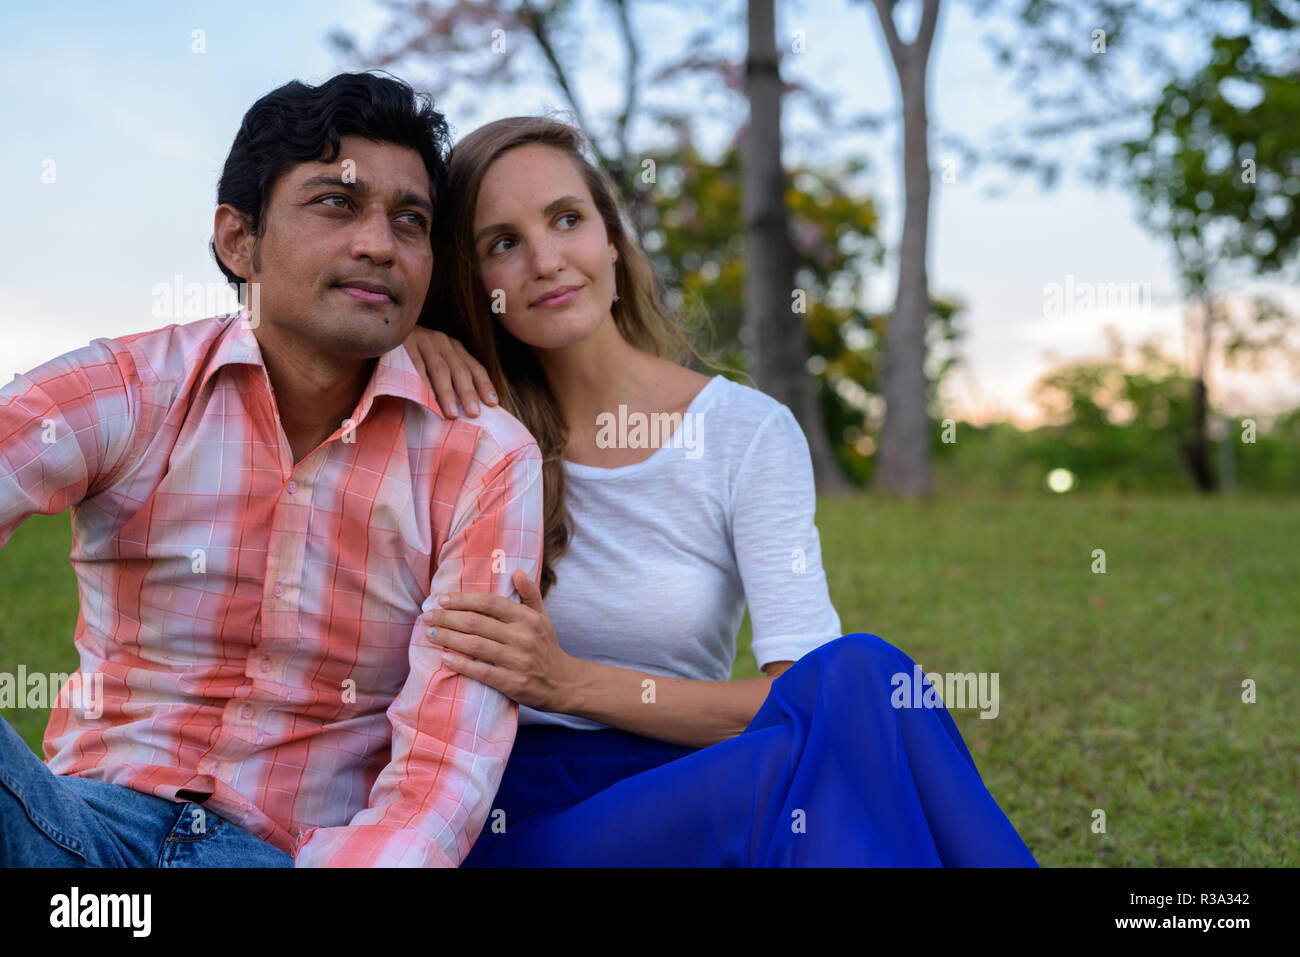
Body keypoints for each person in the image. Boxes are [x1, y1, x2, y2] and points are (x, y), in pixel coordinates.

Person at [399, 114, 1039, 866]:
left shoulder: (746, 431)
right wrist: (405, 335)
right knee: (846, 740)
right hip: (518, 814)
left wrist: (569, 682)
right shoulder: (458, 418)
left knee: (861, 676)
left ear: (610, 238)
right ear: (472, 281)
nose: (545, 260)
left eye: (566, 219)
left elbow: (803, 699)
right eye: (501, 243)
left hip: (698, 780)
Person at [0, 72, 539, 868]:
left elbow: (443, 767)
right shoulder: (134, 389)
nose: (378, 243)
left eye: (410, 220)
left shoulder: (482, 457)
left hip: (285, 855)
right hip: (78, 835)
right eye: (336, 202)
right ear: (238, 239)